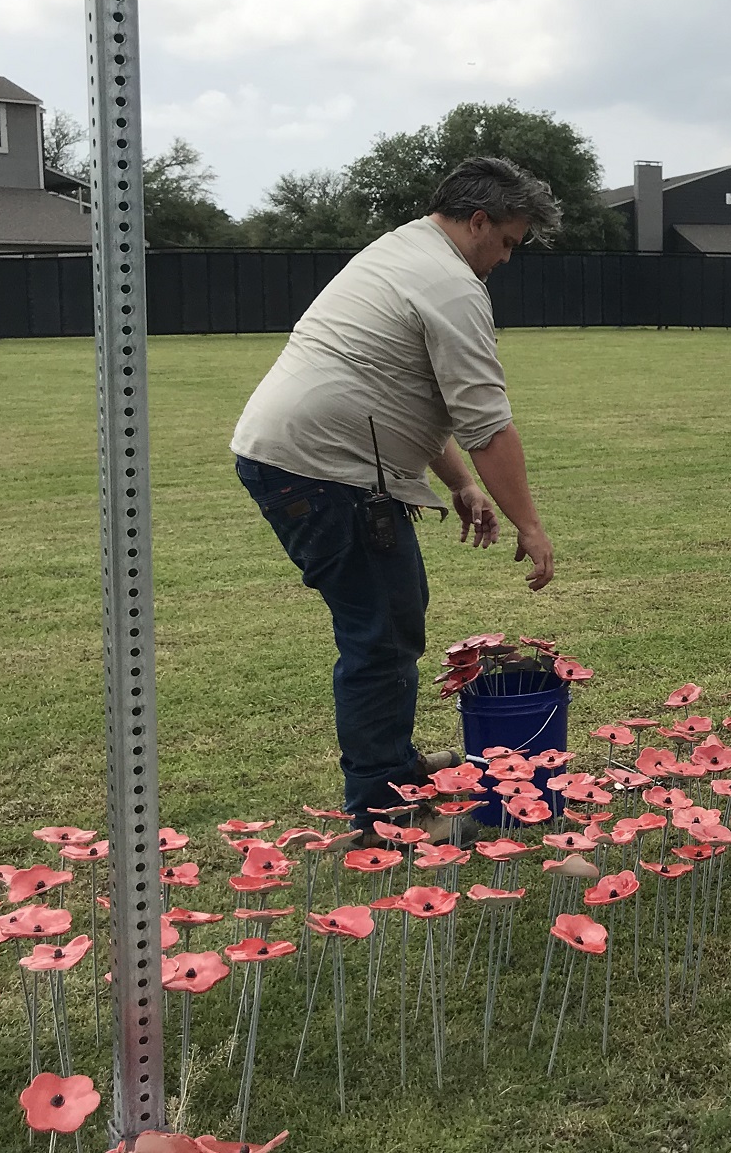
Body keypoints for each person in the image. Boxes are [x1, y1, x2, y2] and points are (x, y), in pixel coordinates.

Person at [231, 156, 561, 843]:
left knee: (392, 615)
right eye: (506, 242)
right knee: (380, 634)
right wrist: (531, 524)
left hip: (301, 457)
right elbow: (484, 421)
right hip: (323, 470)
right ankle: (384, 810)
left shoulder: (402, 251)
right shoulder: (450, 284)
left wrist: (461, 484)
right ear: (478, 221)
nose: (505, 258)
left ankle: (391, 766)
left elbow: (403, 392)